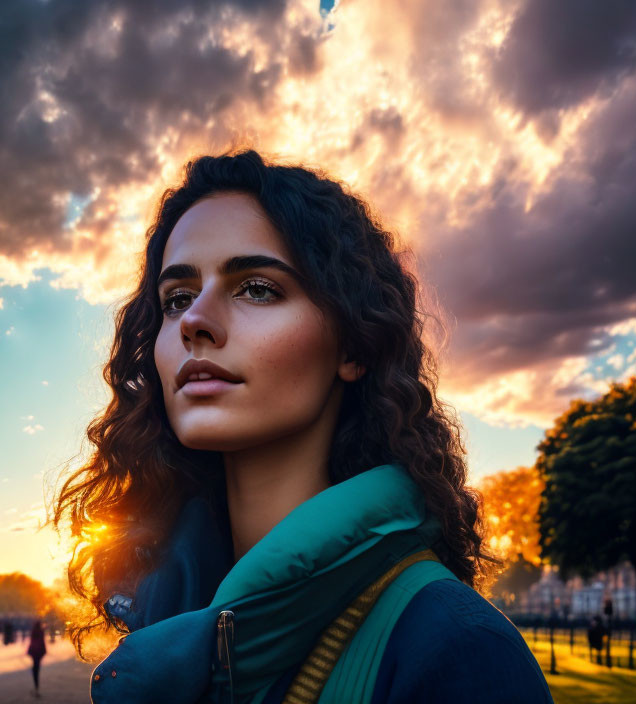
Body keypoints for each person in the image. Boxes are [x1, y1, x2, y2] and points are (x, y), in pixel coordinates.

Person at [55, 149, 554, 703]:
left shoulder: (459, 649)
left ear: (352, 346)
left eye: (257, 288)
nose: (194, 320)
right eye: (176, 298)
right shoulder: (161, 613)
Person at [27, 620, 47, 698]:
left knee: (35, 669)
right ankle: (36, 687)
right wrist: (44, 651)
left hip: (34, 652)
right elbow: (42, 642)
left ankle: (36, 686)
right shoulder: (41, 632)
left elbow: (32, 642)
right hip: (39, 652)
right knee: (36, 668)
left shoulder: (33, 631)